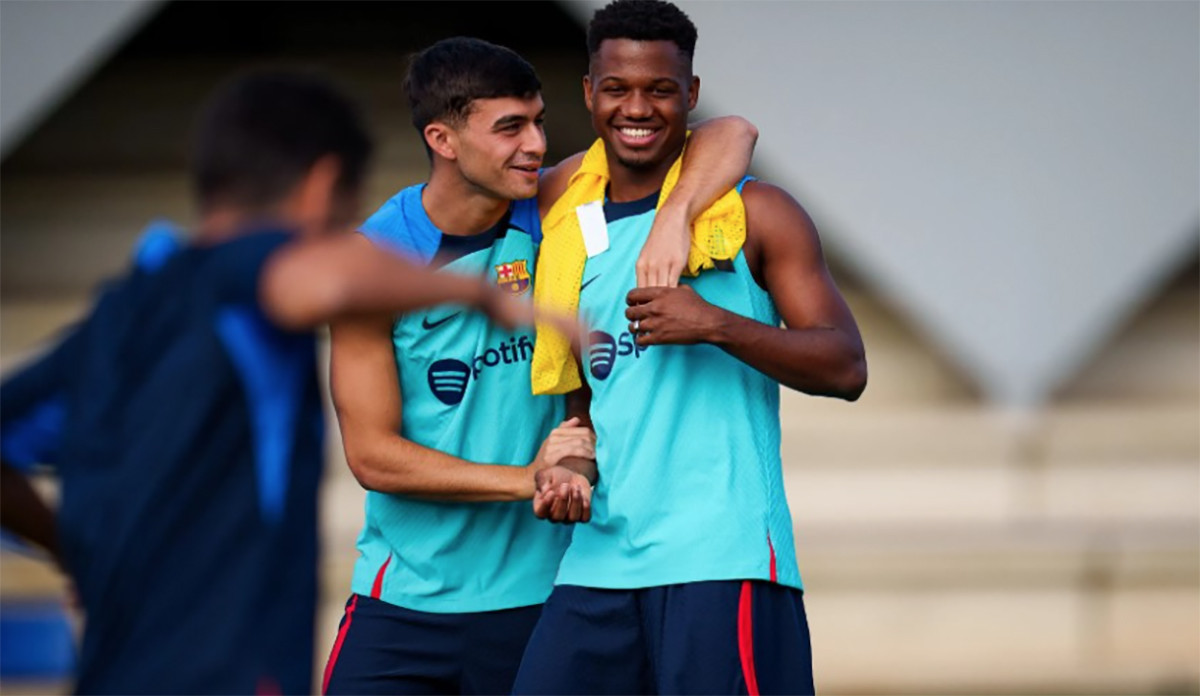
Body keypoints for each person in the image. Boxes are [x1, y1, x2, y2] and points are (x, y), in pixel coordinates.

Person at [0, 69, 547, 696]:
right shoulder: (250, 276)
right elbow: (316, 281)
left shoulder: (121, 314)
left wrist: (71, 553)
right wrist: (481, 295)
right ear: (321, 185)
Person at [321, 36, 758, 695]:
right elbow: (372, 456)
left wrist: (675, 216)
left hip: (543, 604)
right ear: (443, 138)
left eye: (538, 122)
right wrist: (529, 479)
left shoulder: (553, 206)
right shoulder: (374, 264)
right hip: (403, 606)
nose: (534, 145)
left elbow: (730, 131)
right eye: (509, 128)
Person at [515, 1, 868, 694]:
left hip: (720, 559)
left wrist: (714, 323)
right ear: (589, 93)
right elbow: (591, 389)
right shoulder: (563, 214)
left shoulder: (756, 212)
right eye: (617, 88)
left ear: (692, 95)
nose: (637, 107)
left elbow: (846, 365)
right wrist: (575, 455)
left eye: (661, 89)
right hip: (599, 558)